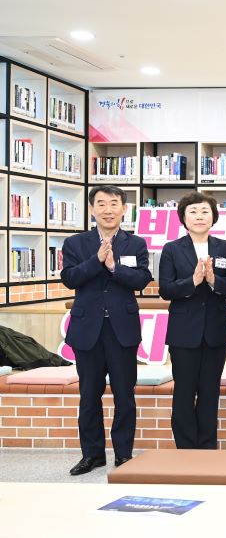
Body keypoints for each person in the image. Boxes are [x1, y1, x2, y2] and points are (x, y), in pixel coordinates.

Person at [61, 185, 152, 475]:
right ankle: (92, 455)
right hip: (87, 330)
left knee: (124, 395)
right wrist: (96, 260)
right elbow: (69, 278)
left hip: (122, 329)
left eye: (114, 204)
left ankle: (123, 453)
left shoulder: (135, 243)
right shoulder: (75, 243)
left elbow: (142, 279)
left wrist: (114, 267)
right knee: (89, 395)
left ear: (124, 209)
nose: (108, 210)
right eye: (101, 204)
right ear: (92, 209)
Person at [158, 192, 226, 449]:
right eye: (193, 212)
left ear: (213, 217)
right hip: (183, 332)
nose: (199, 216)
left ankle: (207, 447)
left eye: (204, 211)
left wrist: (213, 280)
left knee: (210, 392)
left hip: (215, 331)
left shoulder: (225, 248)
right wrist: (192, 281)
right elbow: (166, 289)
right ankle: (186, 448)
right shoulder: (172, 249)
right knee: (184, 391)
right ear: (183, 218)